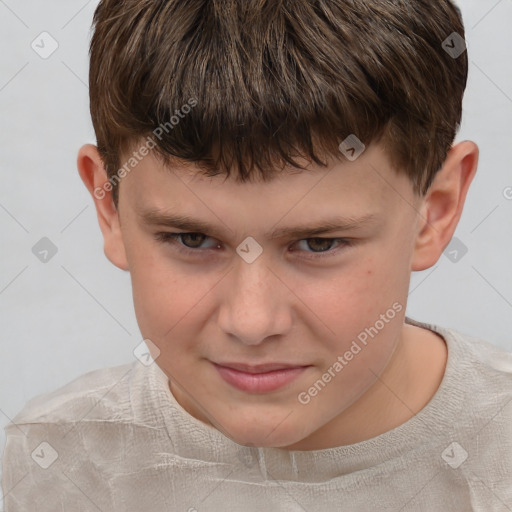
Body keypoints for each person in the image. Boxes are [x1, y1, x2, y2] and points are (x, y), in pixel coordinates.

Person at [2, 0, 511, 510]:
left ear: (435, 211)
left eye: (318, 244)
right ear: (110, 204)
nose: (251, 322)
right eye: (192, 240)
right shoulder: (42, 473)